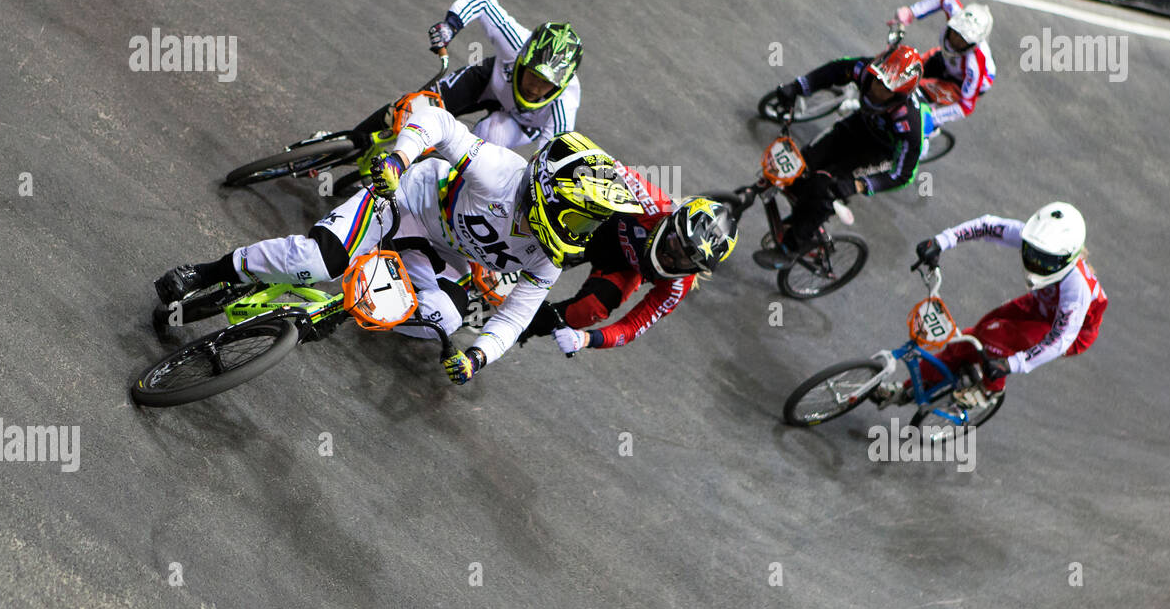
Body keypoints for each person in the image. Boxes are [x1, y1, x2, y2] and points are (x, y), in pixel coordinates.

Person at [154, 110, 641, 385]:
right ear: (546, 194)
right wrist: (400, 156)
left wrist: (478, 357)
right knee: (314, 261)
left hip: (438, 255)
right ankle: (210, 270)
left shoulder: (549, 259)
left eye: (591, 221)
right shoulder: (499, 172)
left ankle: (348, 309)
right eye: (580, 215)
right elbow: (441, 124)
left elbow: (513, 319)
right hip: (402, 201)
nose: (582, 231)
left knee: (446, 321)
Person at [876, 202, 1107, 407]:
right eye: (1032, 253)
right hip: (1040, 306)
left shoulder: (1077, 289)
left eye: (1045, 260)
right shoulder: (1036, 239)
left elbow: (1059, 340)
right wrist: (940, 242)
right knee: (968, 339)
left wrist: (1012, 364)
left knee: (992, 340)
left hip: (1072, 332)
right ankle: (912, 387)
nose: (1035, 261)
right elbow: (987, 226)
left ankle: (990, 389)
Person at [520, 168, 738, 353]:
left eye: (685, 260)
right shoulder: (652, 202)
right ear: (670, 222)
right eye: (674, 244)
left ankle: (521, 326)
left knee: (588, 311)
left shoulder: (678, 284)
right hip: (599, 226)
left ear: (695, 269)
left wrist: (587, 339)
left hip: (623, 269)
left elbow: (633, 326)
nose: (670, 259)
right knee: (539, 239)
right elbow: (597, 168)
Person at [752, 45, 927, 270]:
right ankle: (804, 215)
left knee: (824, 186)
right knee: (801, 165)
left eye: (885, 88)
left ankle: (791, 247)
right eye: (876, 81)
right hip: (856, 127)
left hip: (878, 152)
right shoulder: (866, 69)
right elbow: (833, 71)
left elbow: (903, 175)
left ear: (898, 95)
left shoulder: (909, 125)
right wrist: (797, 87)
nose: (875, 89)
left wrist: (858, 186)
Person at [354, 0, 582, 149]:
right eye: (533, 74)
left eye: (546, 83)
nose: (535, 87)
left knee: (483, 143)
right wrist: (450, 26)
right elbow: (482, 2)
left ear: (560, 85)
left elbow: (550, 158)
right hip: (490, 82)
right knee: (412, 108)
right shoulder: (515, 42)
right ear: (523, 57)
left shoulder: (565, 104)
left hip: (518, 125)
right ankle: (350, 139)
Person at [889, 0, 995, 129]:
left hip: (960, 82)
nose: (956, 40)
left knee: (916, 91)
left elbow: (966, 106)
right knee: (903, 71)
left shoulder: (974, 65)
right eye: (956, 31)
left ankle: (927, 135)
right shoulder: (955, 13)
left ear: (974, 43)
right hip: (946, 59)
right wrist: (911, 12)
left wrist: (933, 119)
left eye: (964, 39)